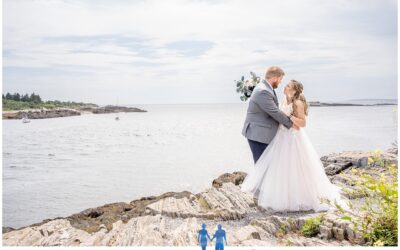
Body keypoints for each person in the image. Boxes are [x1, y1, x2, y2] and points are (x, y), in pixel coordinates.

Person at [241, 80, 348, 212]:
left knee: (296, 167)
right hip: (281, 137)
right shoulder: (284, 100)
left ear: (294, 90)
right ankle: (280, 196)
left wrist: (289, 117)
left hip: (293, 138)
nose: (284, 87)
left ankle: (301, 198)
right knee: (280, 168)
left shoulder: (297, 103)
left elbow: (302, 124)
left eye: (288, 86)